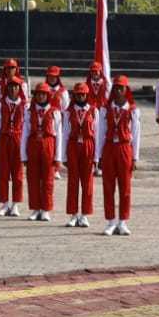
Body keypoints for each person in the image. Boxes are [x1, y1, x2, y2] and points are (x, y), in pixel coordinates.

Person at [95, 76, 142, 235]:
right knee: (108, 186)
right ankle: (110, 221)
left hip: (124, 147)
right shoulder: (105, 109)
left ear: (126, 90)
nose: (118, 91)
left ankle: (123, 222)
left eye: (121, 88)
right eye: (116, 88)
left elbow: (136, 134)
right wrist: (98, 156)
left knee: (125, 187)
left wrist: (135, 157)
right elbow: (100, 133)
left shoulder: (133, 110)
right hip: (109, 147)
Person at [22, 81, 63, 222]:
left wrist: (58, 156)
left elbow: (59, 134)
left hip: (48, 144)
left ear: (48, 95)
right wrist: (23, 155)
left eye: (43, 94)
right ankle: (35, 208)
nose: (41, 97)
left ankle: (45, 209)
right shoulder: (29, 111)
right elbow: (25, 133)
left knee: (48, 179)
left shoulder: (55, 112)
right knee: (33, 178)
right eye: (38, 94)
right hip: (33, 144)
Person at [63, 82, 98, 227]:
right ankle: (73, 214)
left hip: (88, 146)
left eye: (83, 94)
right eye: (78, 94)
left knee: (87, 181)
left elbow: (97, 134)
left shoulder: (94, 111)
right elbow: (65, 133)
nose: (80, 97)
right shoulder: (68, 112)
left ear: (87, 95)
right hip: (73, 145)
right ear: (74, 95)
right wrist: (63, 156)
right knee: (73, 181)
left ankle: (84, 214)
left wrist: (96, 157)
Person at [0, 76, 27, 216]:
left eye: (16, 86)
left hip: (18, 139)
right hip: (4, 138)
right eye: (11, 86)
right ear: (7, 88)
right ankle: (4, 203)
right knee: (4, 172)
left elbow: (27, 126)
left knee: (17, 173)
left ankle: (15, 204)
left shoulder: (25, 105)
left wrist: (25, 147)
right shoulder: (0, 104)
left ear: (19, 89)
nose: (13, 89)